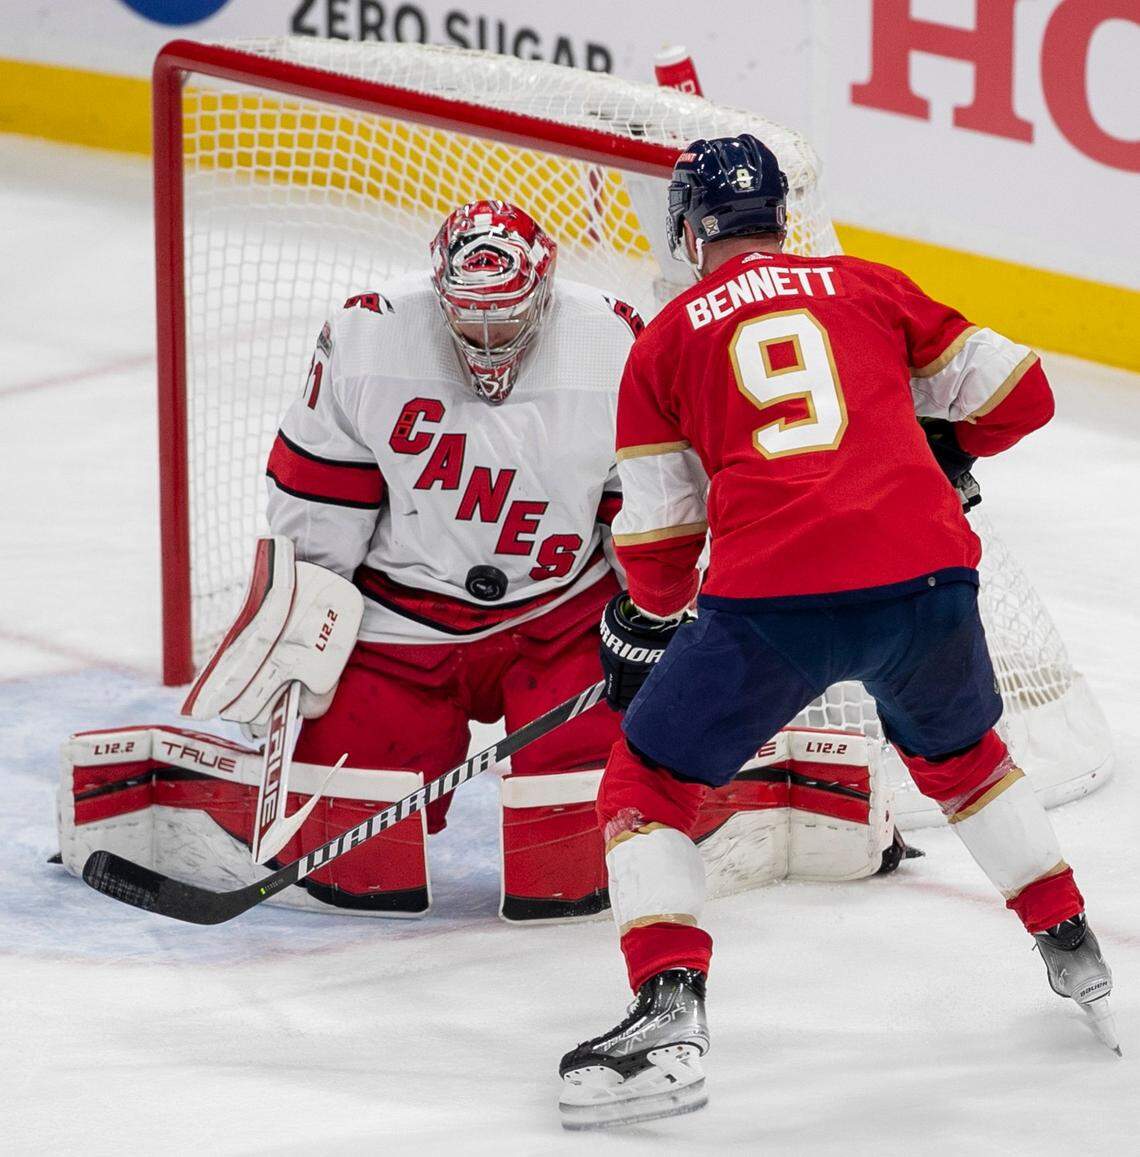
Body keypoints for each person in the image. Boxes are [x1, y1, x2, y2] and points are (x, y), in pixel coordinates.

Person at [557, 135, 1117, 1130]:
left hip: (774, 603)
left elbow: (659, 544)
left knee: (646, 783)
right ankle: (1069, 937)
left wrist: (645, 624)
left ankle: (667, 1009)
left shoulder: (668, 336)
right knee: (965, 759)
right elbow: (1024, 392)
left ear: (691, 231)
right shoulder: (867, 283)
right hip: (930, 581)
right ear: (782, 217)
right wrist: (943, 446)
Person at [254, 199, 642, 918]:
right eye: (469, 315)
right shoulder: (367, 334)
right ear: (440, 295)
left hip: (563, 615)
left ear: (545, 292)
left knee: (583, 849)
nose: (488, 336)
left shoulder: (612, 340)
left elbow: (647, 499)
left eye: (507, 314)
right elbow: (321, 491)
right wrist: (304, 617)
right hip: (403, 617)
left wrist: (656, 614)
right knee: (353, 856)